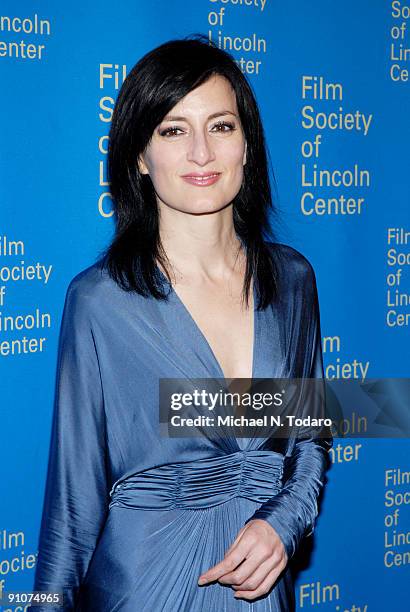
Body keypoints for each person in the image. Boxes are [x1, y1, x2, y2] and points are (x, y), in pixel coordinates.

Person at [32, 34, 332, 611]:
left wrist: (283, 524)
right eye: (173, 130)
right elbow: (72, 507)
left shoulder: (293, 281)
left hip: (260, 593)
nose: (202, 153)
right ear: (140, 156)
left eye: (221, 126)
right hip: (143, 590)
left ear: (247, 146)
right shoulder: (99, 303)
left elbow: (311, 431)